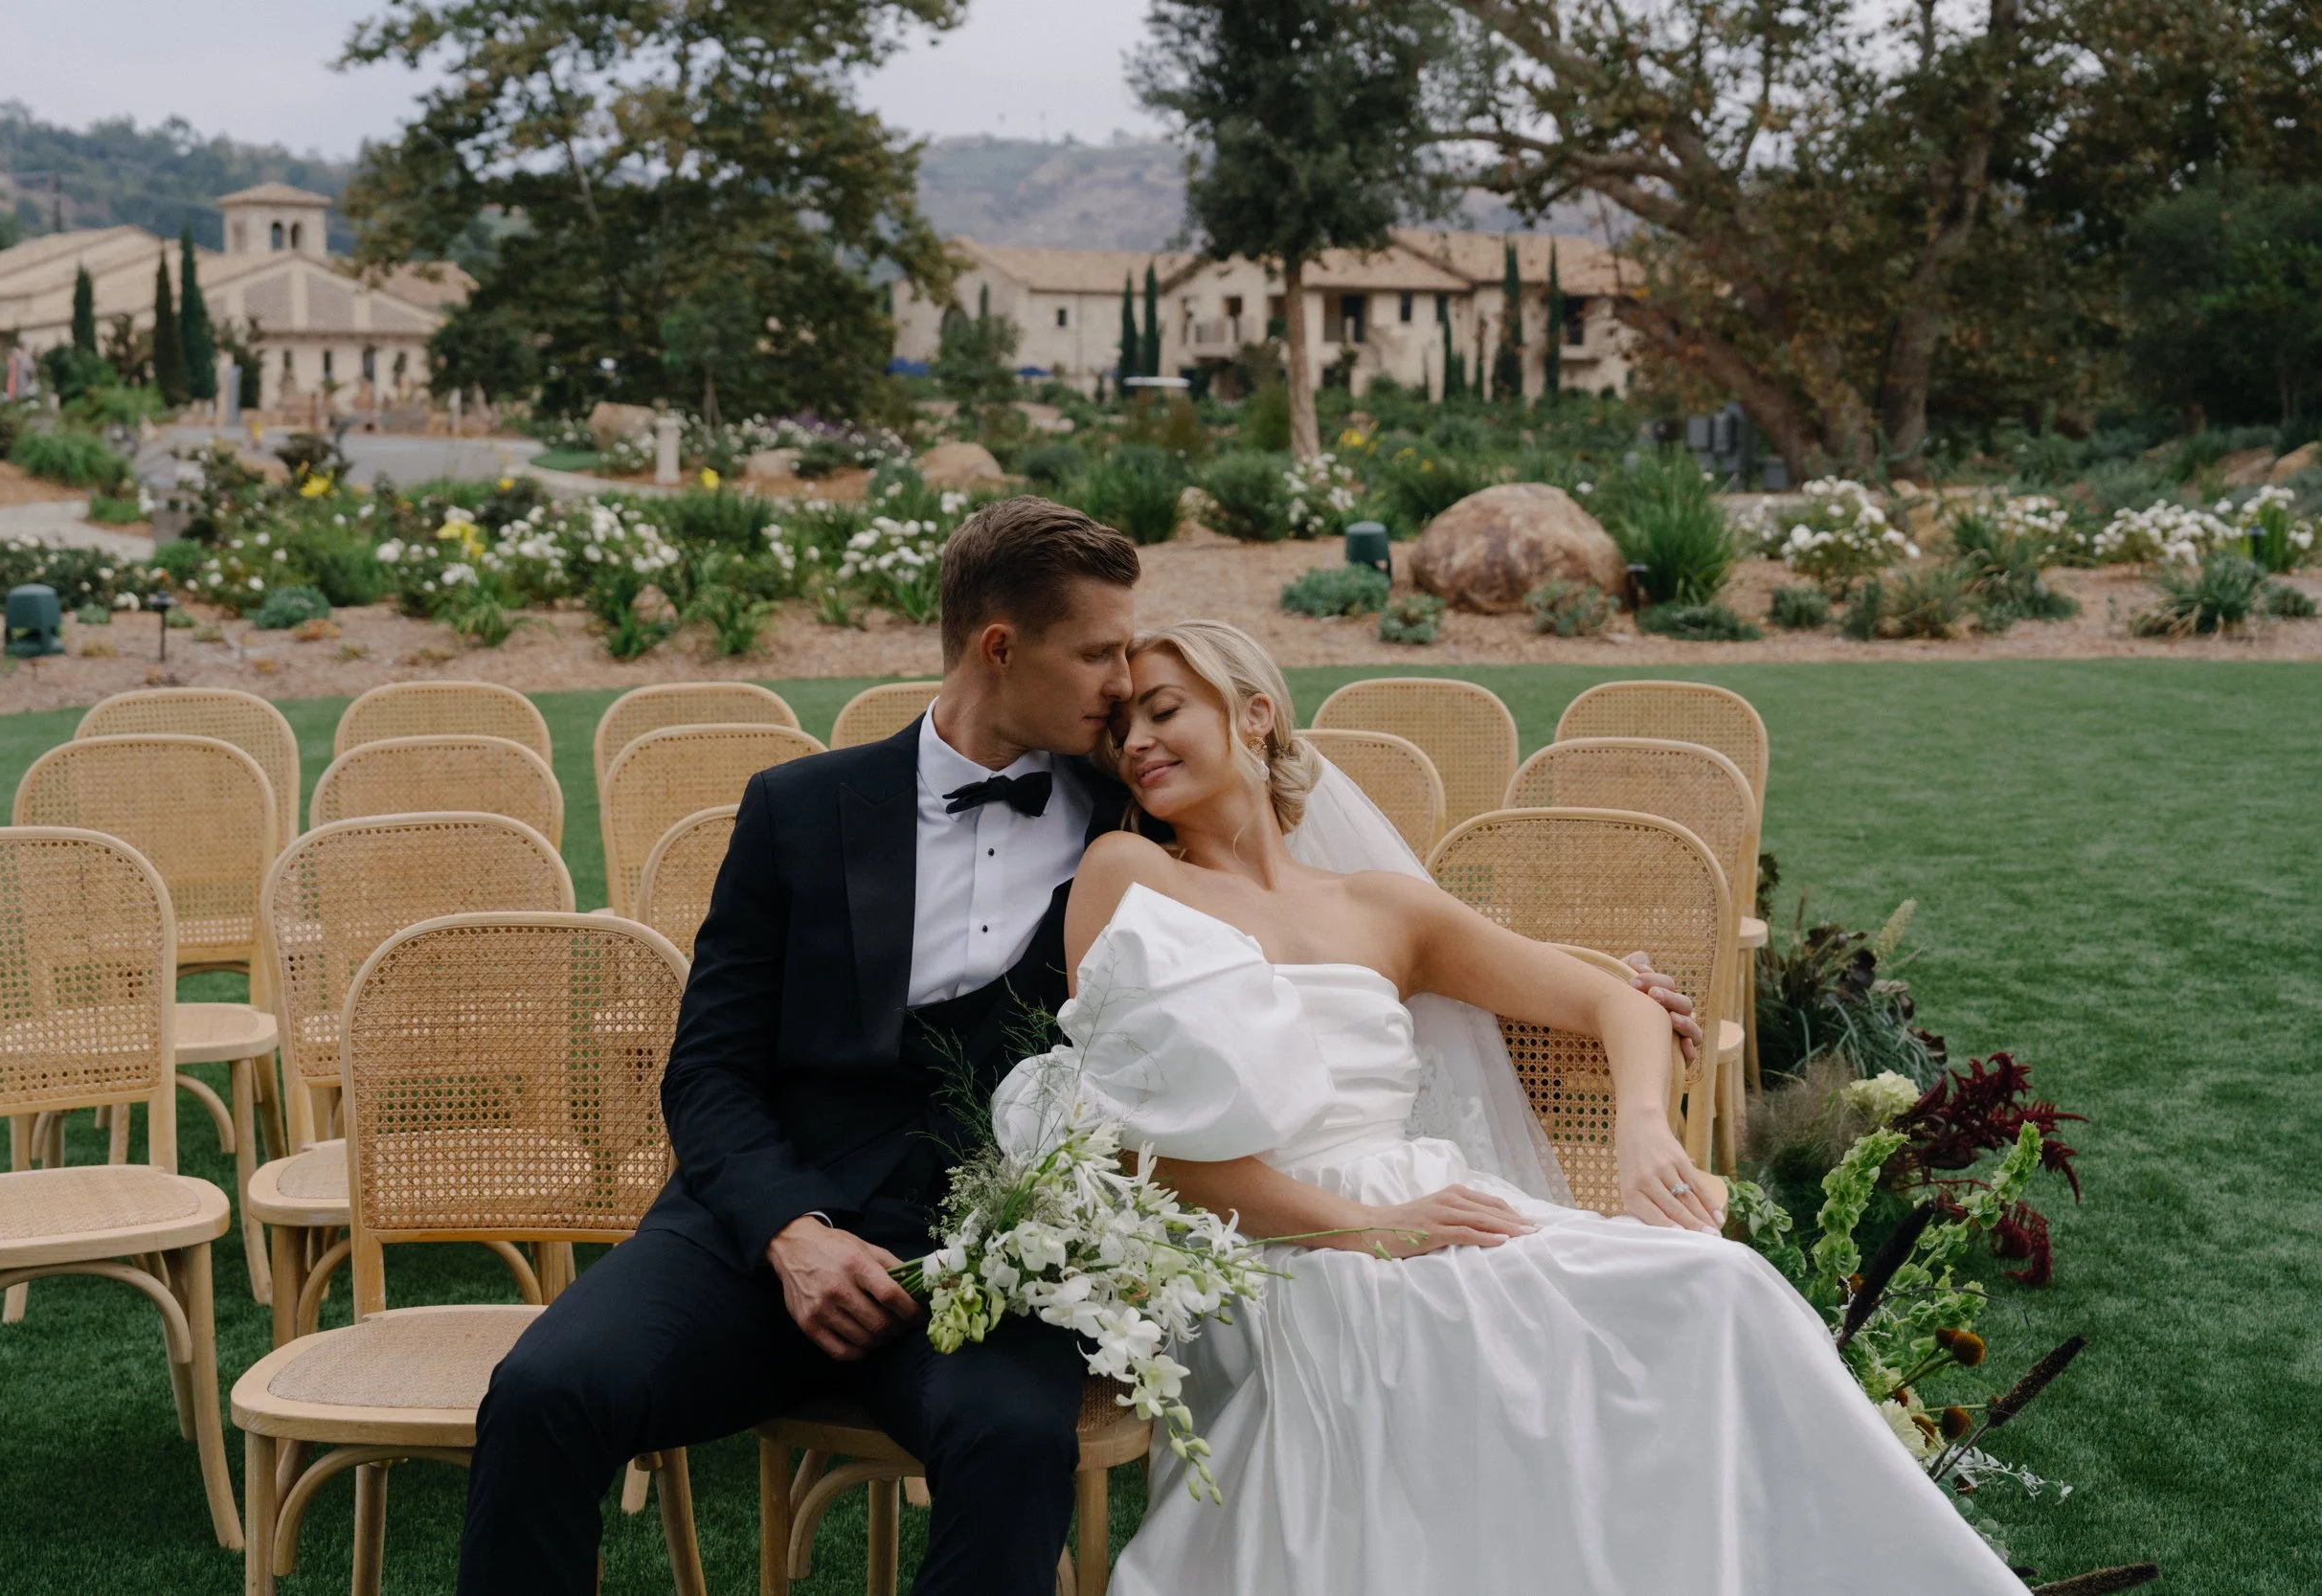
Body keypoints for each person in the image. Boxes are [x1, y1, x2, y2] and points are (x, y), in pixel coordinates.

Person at [459, 499, 1699, 1592]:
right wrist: (791, 1232)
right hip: (755, 1230)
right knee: (544, 1389)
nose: (1123, 686)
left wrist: (1610, 980)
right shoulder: (801, 805)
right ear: (1003, 646)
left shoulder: (1133, 824)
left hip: (999, 1247)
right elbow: (708, 1069)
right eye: (1101, 652)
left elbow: (1313, 925)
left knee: (1011, 1443)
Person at [991, 619, 2028, 1596]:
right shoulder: (1128, 873)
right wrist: (1371, 1229)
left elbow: (1610, 1002)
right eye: (1120, 725)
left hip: (1433, 1201)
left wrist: (1639, 1135)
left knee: (1720, 1283)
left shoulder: (1382, 906)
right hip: (1269, 1242)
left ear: (1254, 711)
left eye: (1164, 708)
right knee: (1467, 1337)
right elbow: (1128, 1145)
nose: (1135, 740)